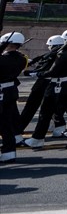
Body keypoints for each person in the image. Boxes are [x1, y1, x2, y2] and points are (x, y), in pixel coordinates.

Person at [0, 31, 27, 162]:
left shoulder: (3, 59)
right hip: (10, 91)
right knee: (6, 122)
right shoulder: (22, 58)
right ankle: (9, 152)